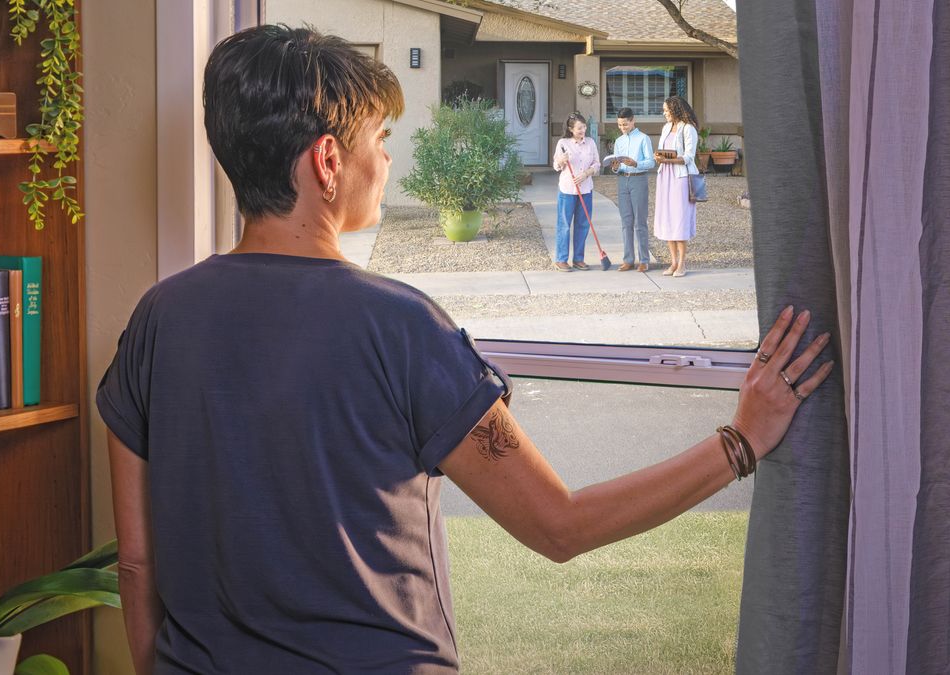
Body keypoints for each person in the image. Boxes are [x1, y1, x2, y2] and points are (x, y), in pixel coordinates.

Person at [98, 24, 834, 675]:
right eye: (379, 141)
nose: (386, 160)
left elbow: (136, 563)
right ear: (327, 161)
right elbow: (559, 525)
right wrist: (741, 441)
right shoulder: (400, 327)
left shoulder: (158, 319)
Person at [654, 95, 701, 277]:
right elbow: (663, 151)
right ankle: (673, 263)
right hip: (665, 176)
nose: (664, 113)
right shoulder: (666, 127)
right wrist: (659, 157)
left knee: (679, 220)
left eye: (666, 110)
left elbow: (689, 156)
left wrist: (668, 160)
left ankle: (682, 264)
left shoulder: (688, 129)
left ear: (675, 110)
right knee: (667, 218)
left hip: (680, 178)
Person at [552, 113, 600, 272]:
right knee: (564, 225)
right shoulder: (563, 143)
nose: (583, 130)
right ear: (571, 129)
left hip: (586, 189)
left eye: (584, 127)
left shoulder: (591, 142)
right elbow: (556, 166)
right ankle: (561, 259)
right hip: (567, 190)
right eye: (579, 128)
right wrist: (561, 160)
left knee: (583, 224)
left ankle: (578, 259)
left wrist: (586, 174)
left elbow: (597, 164)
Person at [609, 107, 656, 272]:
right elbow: (617, 163)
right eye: (620, 125)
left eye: (625, 124)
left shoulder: (643, 138)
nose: (622, 128)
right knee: (626, 222)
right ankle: (628, 260)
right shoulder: (619, 141)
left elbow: (651, 162)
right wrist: (615, 167)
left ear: (632, 121)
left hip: (638, 180)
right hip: (623, 180)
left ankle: (644, 260)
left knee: (640, 222)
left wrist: (636, 163)